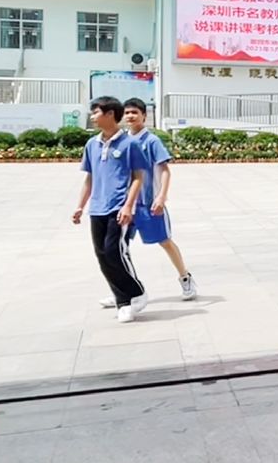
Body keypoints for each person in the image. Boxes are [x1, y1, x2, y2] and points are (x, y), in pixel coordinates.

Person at [73, 97, 148, 323]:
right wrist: (80, 206)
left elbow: (138, 178)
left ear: (109, 114)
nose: (93, 116)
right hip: (97, 208)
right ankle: (121, 298)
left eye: (96, 112)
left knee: (115, 253)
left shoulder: (129, 144)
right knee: (102, 256)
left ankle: (134, 294)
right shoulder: (92, 145)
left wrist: (128, 206)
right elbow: (90, 178)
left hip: (118, 208)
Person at [121, 99, 197, 301]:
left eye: (134, 112)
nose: (130, 116)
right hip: (127, 206)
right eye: (127, 112)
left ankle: (185, 277)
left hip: (149, 204)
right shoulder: (121, 141)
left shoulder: (151, 141)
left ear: (144, 116)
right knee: (120, 247)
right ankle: (123, 290)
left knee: (165, 241)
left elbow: (164, 170)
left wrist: (161, 196)